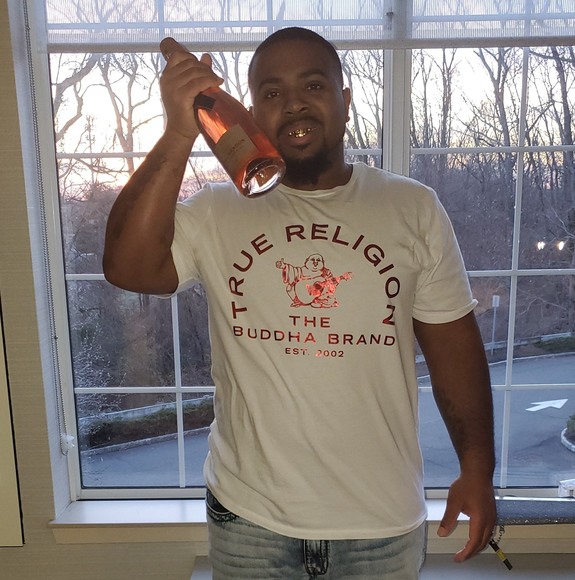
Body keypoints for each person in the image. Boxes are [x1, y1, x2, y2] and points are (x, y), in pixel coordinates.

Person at [103, 27, 496, 579]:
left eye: (313, 85)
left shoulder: (412, 207)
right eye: (271, 93)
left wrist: (477, 469)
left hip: (380, 522)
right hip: (250, 519)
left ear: (345, 101)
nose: (293, 104)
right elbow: (127, 268)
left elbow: (454, 348)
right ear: (248, 115)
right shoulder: (216, 212)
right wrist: (178, 132)